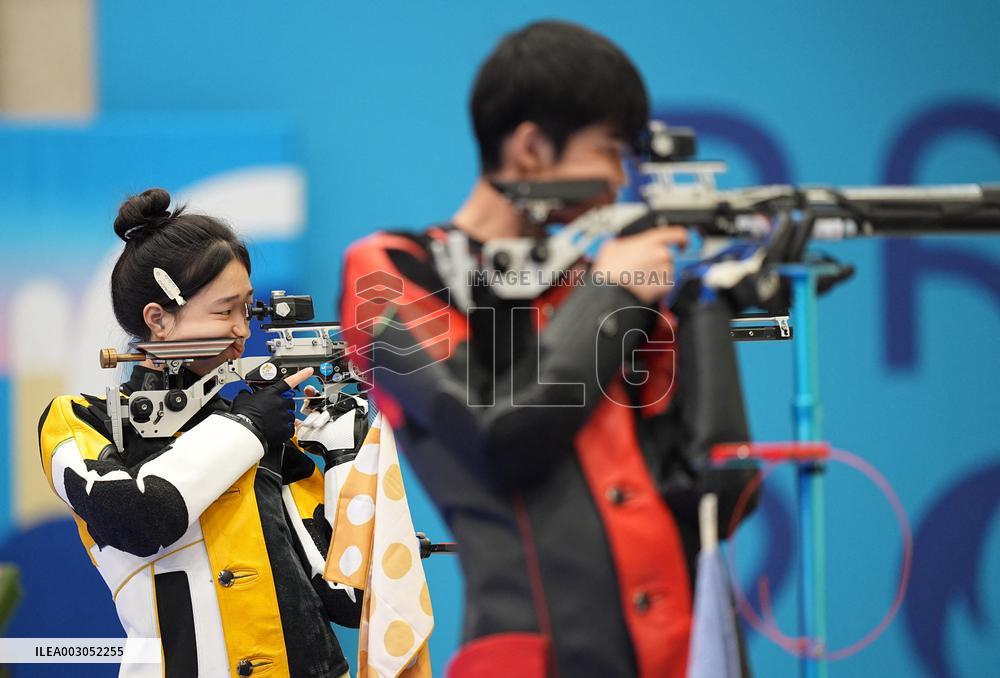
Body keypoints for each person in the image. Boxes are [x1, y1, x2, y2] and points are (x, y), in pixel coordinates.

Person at [339, 20, 758, 678]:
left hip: (690, 655)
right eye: (609, 150)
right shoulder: (389, 271)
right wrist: (613, 294)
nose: (619, 180)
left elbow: (719, 497)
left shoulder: (597, 287)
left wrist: (706, 305)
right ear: (531, 148)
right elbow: (496, 438)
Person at [38, 188, 366, 678]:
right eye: (224, 311)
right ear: (158, 319)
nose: (242, 331)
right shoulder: (81, 420)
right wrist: (246, 428)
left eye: (247, 310)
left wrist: (346, 459)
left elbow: (349, 599)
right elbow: (138, 518)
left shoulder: (263, 427)